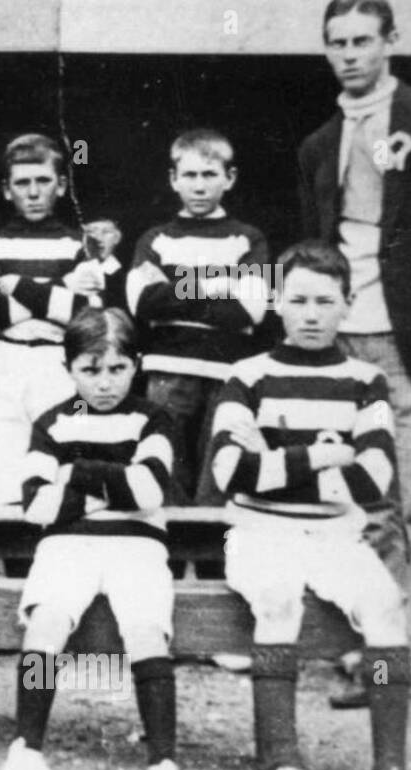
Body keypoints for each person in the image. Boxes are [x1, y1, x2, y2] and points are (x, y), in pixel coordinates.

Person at [210, 240, 411, 770]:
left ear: (347, 305)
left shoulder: (366, 380)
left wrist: (278, 458)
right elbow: (230, 473)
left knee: (386, 606)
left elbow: (373, 480)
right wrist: (321, 454)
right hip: (259, 533)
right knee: (277, 602)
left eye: (324, 301)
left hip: (337, 537)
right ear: (278, 300)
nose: (310, 313)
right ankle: (283, 766)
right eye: (299, 299)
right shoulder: (248, 375)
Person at [0, 307, 190, 770]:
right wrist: (116, 483)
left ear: (136, 365)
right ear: (69, 368)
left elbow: (150, 491)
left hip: (139, 546)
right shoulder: (52, 421)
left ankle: (162, 764)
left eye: (117, 369)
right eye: (90, 369)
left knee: (146, 631)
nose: (104, 383)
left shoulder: (154, 418)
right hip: (67, 546)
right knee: (46, 625)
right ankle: (27, 749)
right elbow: (37, 506)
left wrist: (76, 473)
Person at [298, 0, 411, 728]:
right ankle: (379, 670)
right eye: (338, 43)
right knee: (363, 513)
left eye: (363, 40)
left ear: (391, 42)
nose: (351, 54)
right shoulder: (320, 143)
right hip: (345, 345)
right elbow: (319, 253)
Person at [126, 128, 270, 505]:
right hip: (167, 371)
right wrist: (221, 283)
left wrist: (174, 285)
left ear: (230, 178)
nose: (200, 185)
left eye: (209, 174)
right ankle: (169, 564)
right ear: (173, 179)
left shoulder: (247, 239)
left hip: (226, 373)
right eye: (190, 175)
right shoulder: (156, 239)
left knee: (217, 479)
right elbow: (142, 301)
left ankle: (209, 566)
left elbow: (250, 307)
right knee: (167, 475)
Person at [0, 134, 121, 504]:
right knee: (3, 463)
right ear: (7, 190)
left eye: (42, 181)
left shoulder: (78, 245)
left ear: (60, 185)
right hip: (6, 360)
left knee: (59, 457)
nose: (33, 192)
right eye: (22, 183)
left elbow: (83, 313)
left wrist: (17, 288)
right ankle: (9, 559)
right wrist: (59, 289)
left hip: (56, 360)